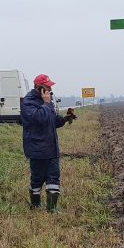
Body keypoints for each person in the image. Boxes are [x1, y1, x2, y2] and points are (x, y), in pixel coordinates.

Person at [20, 74, 76, 212]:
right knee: (37, 179)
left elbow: (52, 121)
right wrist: (46, 103)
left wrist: (64, 118)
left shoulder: (47, 102)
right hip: (37, 149)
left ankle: (52, 209)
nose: (50, 89)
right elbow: (39, 118)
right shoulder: (28, 102)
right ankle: (36, 205)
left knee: (53, 178)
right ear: (39, 88)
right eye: (47, 87)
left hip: (51, 149)